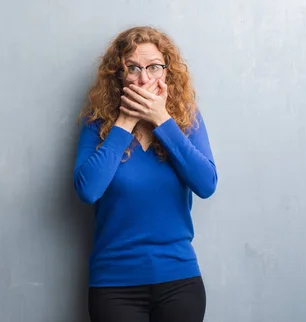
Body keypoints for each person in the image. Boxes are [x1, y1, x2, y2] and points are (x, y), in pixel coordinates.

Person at [73, 26, 218, 322]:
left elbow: (206, 184)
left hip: (179, 280)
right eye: (133, 68)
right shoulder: (97, 123)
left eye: (154, 67)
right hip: (114, 285)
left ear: (166, 71)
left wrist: (162, 120)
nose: (144, 78)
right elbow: (87, 190)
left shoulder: (186, 119)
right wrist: (126, 121)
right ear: (119, 73)